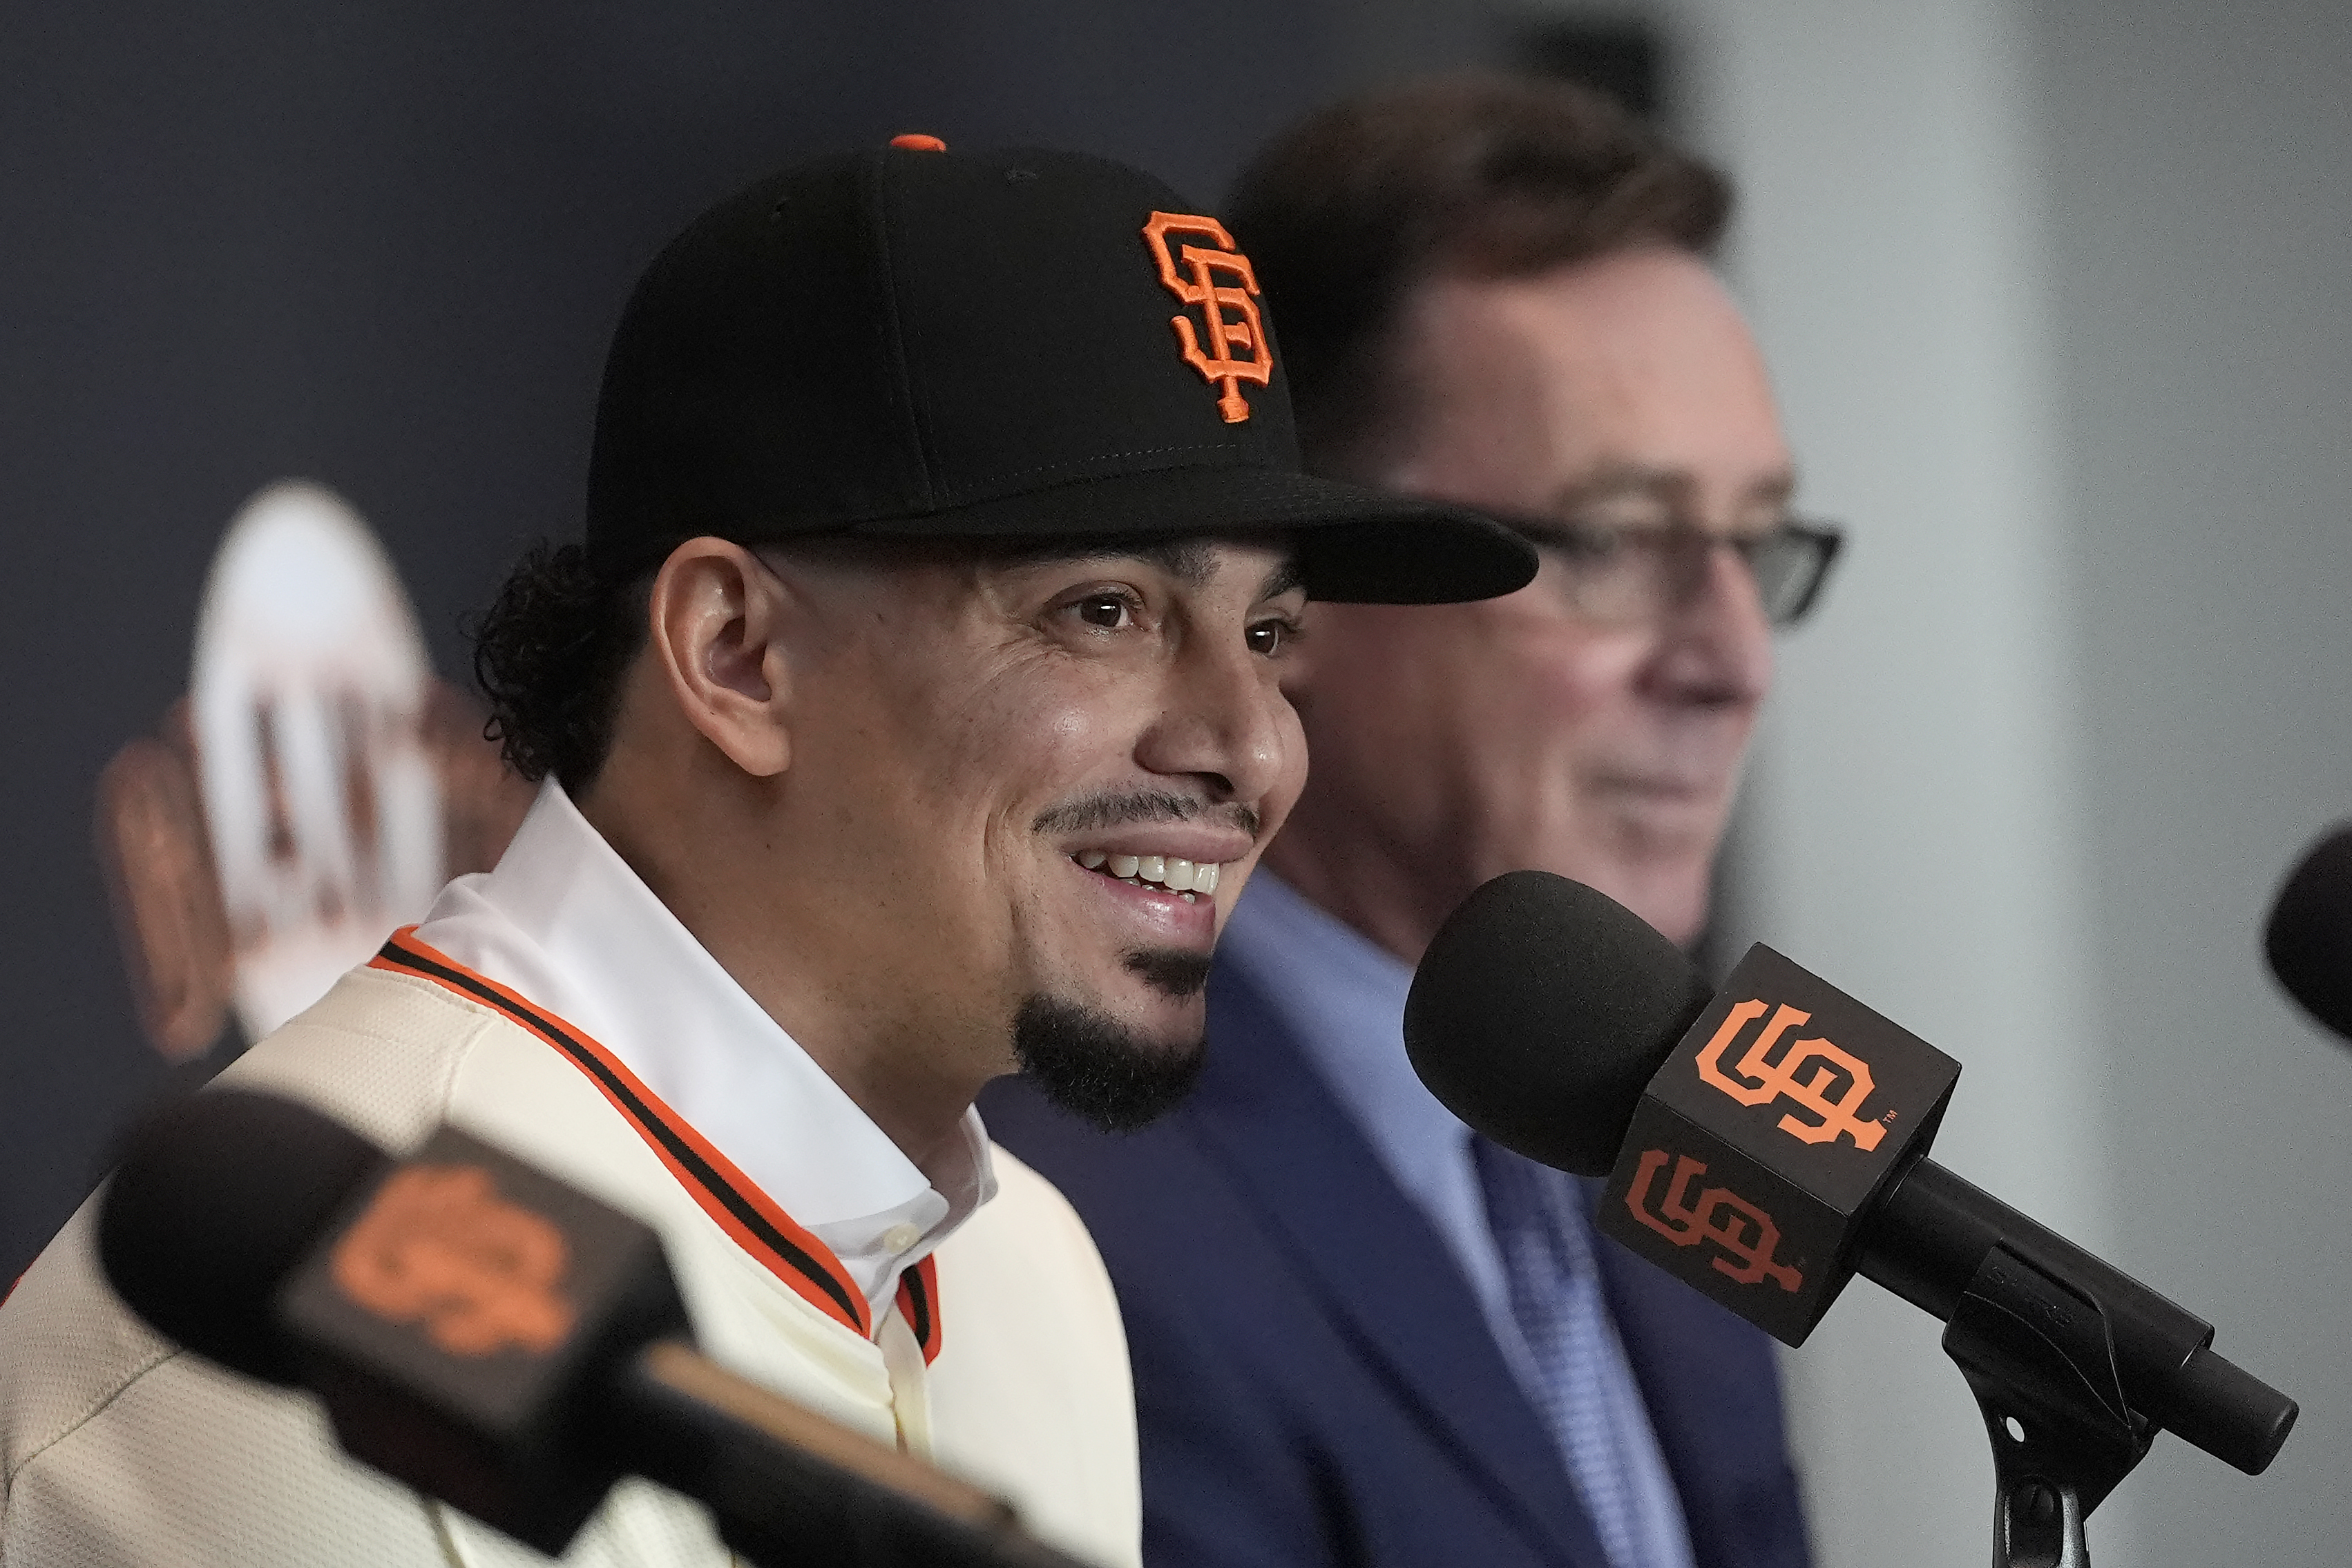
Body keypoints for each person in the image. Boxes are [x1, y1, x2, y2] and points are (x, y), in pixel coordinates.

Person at [0, 137, 1534, 1568]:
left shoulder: (1029, 1272)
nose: (1252, 748)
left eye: (1267, 634)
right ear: (736, 654)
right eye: (1104, 611)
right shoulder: (323, 1344)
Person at [984, 76, 1838, 1568]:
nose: (1730, 660)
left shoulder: (1680, 1136)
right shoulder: (1057, 1214)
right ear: (1304, 584)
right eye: (1618, 541)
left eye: (1752, 544)